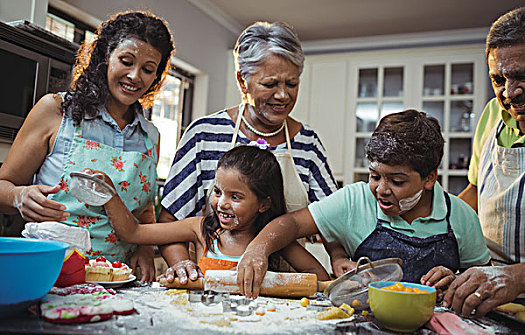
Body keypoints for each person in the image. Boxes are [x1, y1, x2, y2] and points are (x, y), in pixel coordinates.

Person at [235, 110, 491, 299]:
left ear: (429, 178)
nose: (381, 189)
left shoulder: (460, 217)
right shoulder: (355, 200)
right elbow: (290, 223)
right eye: (375, 176)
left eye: (397, 181)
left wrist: (456, 282)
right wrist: (258, 248)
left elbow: (483, 283)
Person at [0, 11, 175, 281]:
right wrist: (19, 197)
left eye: (148, 69)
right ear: (106, 55)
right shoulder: (57, 110)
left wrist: (144, 245)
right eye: (126, 61)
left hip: (118, 279)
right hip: (52, 274)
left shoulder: (151, 136)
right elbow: (4, 184)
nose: (134, 76)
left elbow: (143, 209)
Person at [158, 21, 338, 283]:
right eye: (270, 84)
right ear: (243, 80)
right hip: (216, 285)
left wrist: (338, 255)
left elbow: (331, 218)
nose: (283, 95)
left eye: (292, 83)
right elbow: (170, 220)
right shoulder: (204, 134)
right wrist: (182, 263)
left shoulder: (307, 143)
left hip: (287, 291)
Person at [96, 144, 330, 280]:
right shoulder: (200, 228)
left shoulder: (272, 240)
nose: (222, 203)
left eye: (235, 197)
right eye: (218, 191)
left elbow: (318, 275)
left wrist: (278, 284)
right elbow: (133, 232)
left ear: (264, 204)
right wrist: (109, 195)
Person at [446, 7, 525, 316]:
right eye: (497, 79)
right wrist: (432, 224)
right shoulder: (492, 115)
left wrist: (516, 276)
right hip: (491, 294)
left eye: (521, 77)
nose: (509, 92)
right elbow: (477, 194)